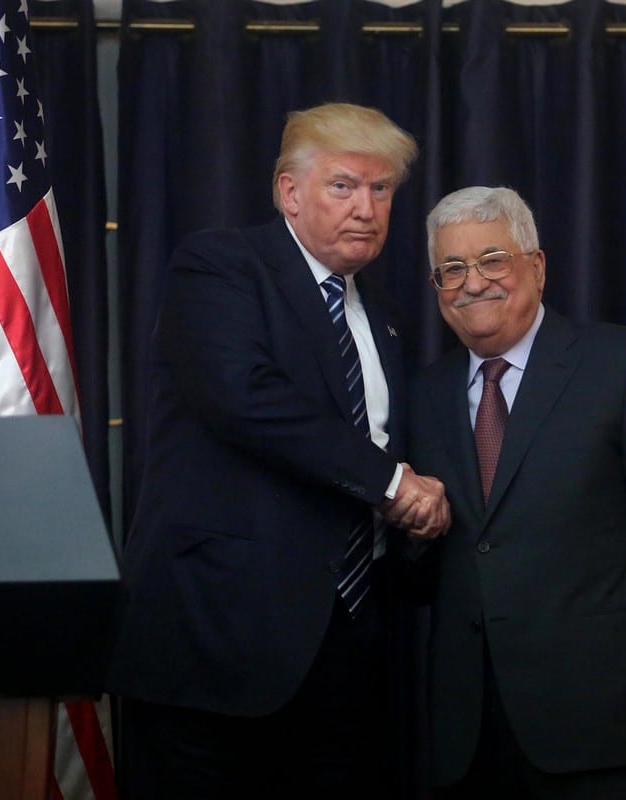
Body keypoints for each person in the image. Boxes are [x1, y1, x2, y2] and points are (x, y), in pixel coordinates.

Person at [107, 102, 450, 797]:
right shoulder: (220, 265)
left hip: (347, 654)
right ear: (288, 193)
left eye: (382, 190)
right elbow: (246, 397)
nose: (367, 207)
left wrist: (421, 516)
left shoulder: (383, 320)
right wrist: (393, 483)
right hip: (216, 646)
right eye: (344, 185)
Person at [408, 186, 626, 798]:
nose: (473, 283)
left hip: (611, 727)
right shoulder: (424, 396)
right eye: (452, 269)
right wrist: (417, 531)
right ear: (437, 288)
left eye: (492, 259)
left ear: (538, 265)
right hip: (474, 739)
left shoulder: (625, 364)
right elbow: (425, 570)